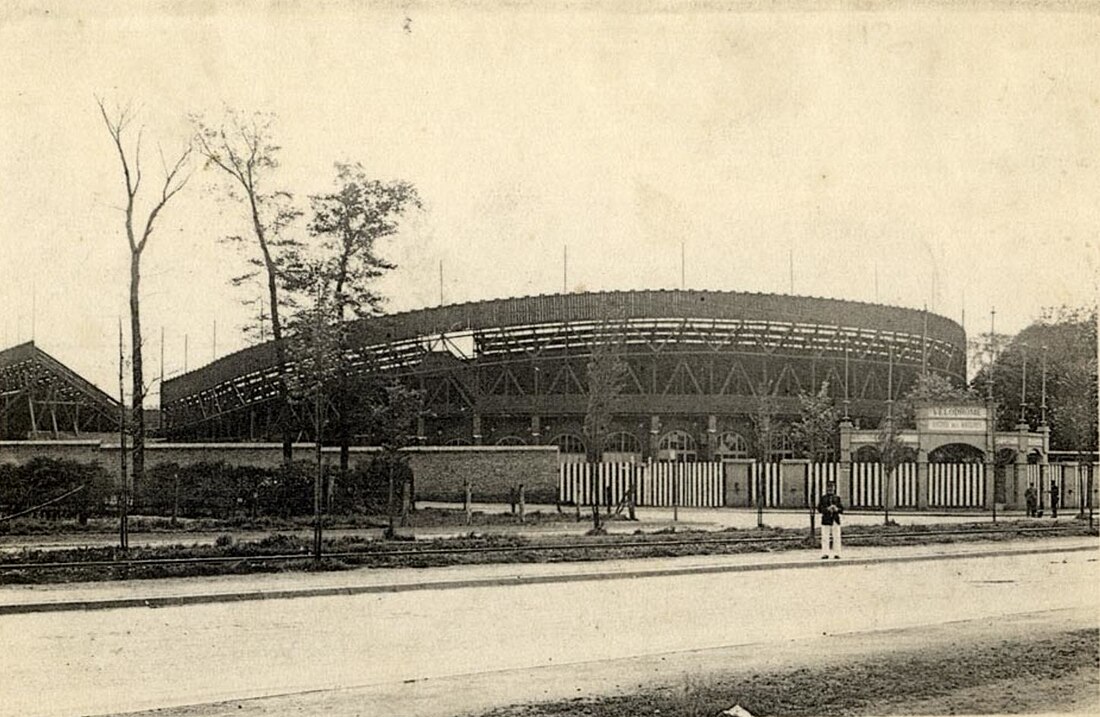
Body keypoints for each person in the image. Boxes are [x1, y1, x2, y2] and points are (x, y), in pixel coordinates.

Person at [817, 481, 844, 559]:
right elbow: (819, 509)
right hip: (826, 519)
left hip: (835, 520)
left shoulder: (837, 498)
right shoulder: (823, 498)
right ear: (826, 488)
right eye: (829, 487)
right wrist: (827, 509)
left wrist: (837, 509)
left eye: (832, 487)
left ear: (834, 488)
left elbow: (842, 509)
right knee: (825, 537)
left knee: (837, 537)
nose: (830, 489)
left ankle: (837, 553)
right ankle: (825, 553)